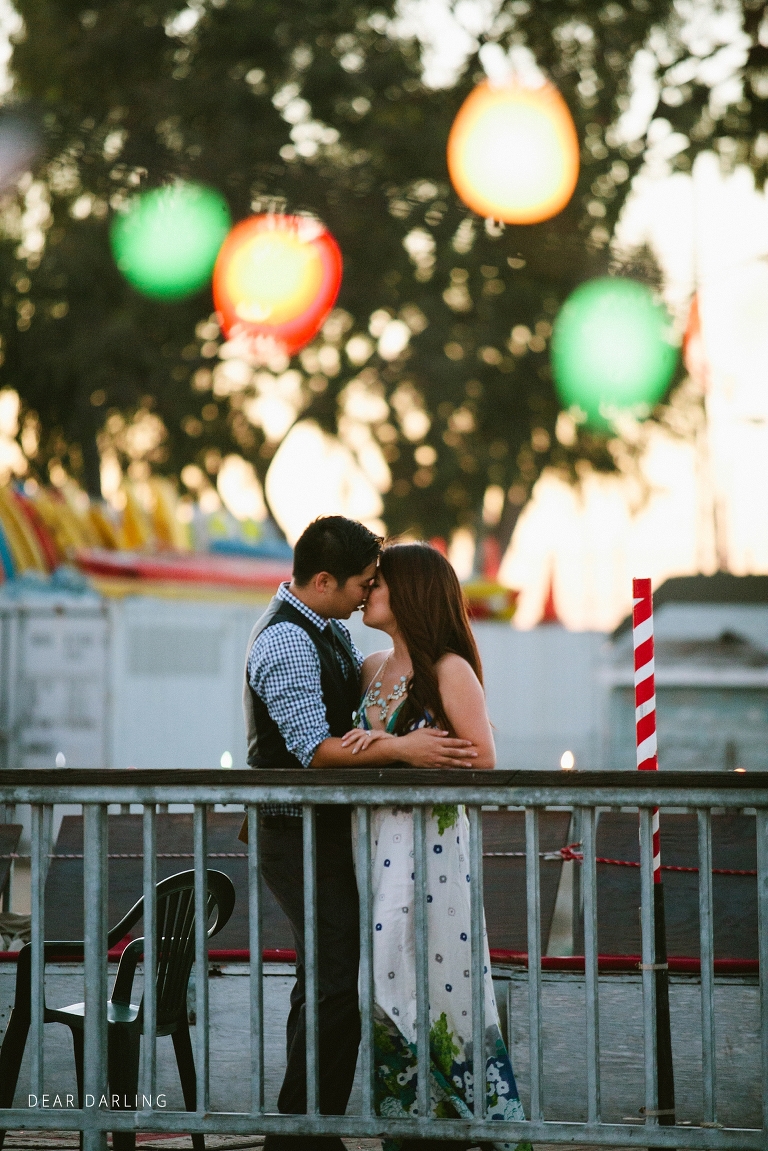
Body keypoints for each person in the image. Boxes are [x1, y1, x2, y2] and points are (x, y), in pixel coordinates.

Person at [242, 517, 480, 1151]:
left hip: (335, 836)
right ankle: (305, 1135)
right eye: (361, 583)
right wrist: (402, 749)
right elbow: (315, 752)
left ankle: (304, 1130)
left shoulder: (331, 636)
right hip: (298, 834)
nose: (366, 593)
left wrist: (384, 743)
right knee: (337, 980)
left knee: (327, 977)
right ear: (324, 581)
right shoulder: (289, 642)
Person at [341, 542, 531, 1151]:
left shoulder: (449, 670)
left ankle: (458, 1118)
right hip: (373, 845)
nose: (368, 590)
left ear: (411, 592)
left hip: (433, 851)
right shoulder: (371, 668)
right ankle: (405, 1119)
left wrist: (412, 757)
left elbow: (484, 758)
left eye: (379, 582)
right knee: (385, 969)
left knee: (435, 970)